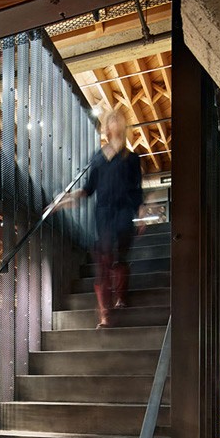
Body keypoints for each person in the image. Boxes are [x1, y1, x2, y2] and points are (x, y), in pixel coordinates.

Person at [61, 108, 145, 328]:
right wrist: (69, 197)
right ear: (106, 127)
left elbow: (136, 190)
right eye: (111, 119)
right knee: (103, 259)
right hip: (103, 213)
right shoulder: (97, 157)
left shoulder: (132, 158)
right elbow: (89, 188)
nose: (115, 121)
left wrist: (141, 212)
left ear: (124, 125)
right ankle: (105, 314)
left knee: (120, 256)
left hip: (124, 212)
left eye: (119, 118)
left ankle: (121, 297)